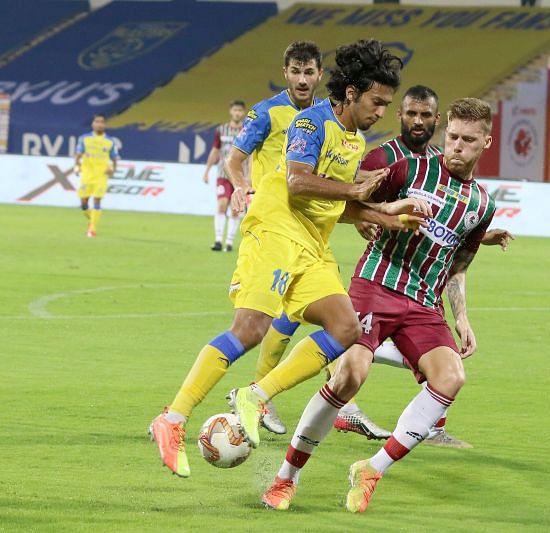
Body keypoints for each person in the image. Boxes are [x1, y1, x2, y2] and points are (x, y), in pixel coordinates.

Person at [149, 39, 421, 478]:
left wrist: (385, 215)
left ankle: (256, 395)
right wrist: (357, 190)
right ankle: (173, 419)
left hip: (312, 244)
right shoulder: (311, 124)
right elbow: (298, 182)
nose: (382, 111)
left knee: (346, 327)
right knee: (251, 329)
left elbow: (334, 202)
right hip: (275, 230)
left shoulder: (355, 140)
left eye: (387, 104)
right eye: (377, 101)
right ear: (351, 93)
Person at [261, 97, 497, 512]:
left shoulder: (482, 205)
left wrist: (462, 318)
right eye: (453, 137)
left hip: (424, 304)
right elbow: (351, 206)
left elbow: (458, 265)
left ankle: (371, 468)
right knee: (349, 375)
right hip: (376, 285)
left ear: (486, 143)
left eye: (468, 140)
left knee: (451, 377)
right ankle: (286, 477)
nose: (457, 146)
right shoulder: (410, 168)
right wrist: (385, 210)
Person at [202, 100, 247, 252]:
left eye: (240, 111)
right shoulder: (221, 130)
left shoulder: (247, 131)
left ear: (243, 112)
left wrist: (251, 176)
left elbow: (252, 154)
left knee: (235, 209)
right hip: (222, 174)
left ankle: (229, 242)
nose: (237, 113)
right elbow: (215, 151)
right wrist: (207, 170)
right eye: (235, 110)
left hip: (240, 176)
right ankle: (218, 240)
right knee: (222, 204)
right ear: (230, 111)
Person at [72, 114, 119, 237]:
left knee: (97, 200)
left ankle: (92, 229)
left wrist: (113, 168)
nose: (99, 124)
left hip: (101, 175)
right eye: (97, 121)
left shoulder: (110, 141)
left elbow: (114, 158)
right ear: (93, 124)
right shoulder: (84, 138)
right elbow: (78, 154)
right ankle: (91, 220)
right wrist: (77, 166)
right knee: (84, 203)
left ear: (105, 125)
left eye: (102, 122)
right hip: (87, 174)